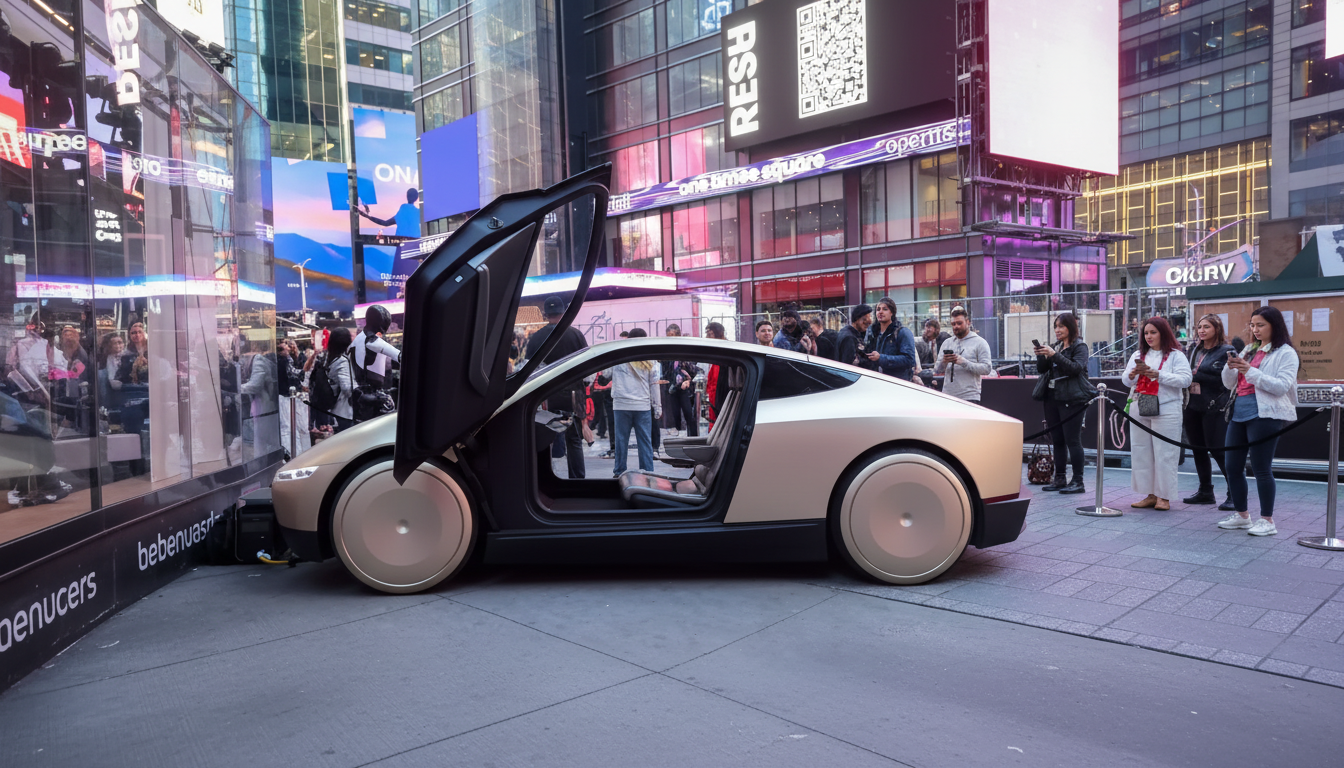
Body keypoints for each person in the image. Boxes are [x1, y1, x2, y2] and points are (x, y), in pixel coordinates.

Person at [1218, 306, 1300, 536]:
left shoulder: (1285, 352)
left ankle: (1267, 520)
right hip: (1239, 411)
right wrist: (1231, 365)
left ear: (1275, 325)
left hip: (1266, 413)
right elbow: (1229, 383)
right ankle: (1243, 515)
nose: (1255, 330)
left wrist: (1249, 371)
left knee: (1261, 467)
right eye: (1252, 325)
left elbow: (1282, 386)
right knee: (1232, 465)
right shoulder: (1249, 349)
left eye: (1260, 325)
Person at [1121, 316, 1192, 511]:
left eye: (1153, 332)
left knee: (1165, 453)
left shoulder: (1176, 355)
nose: (1149, 336)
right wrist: (1134, 373)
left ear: (1163, 333)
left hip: (1167, 408)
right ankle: (1150, 494)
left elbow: (1186, 379)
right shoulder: (1138, 354)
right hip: (1139, 406)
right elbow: (1126, 381)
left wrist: (1157, 374)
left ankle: (1164, 496)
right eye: (1146, 333)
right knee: (1141, 451)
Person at [527, 296, 590, 479]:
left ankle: (545, 480)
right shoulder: (576, 335)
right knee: (574, 440)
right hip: (574, 395)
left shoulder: (536, 338)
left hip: (547, 395)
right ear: (563, 313)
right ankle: (577, 480)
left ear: (546, 315)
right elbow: (587, 368)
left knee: (546, 440)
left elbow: (529, 369)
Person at [1032, 312, 1094, 495]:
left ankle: (1078, 481)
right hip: (1052, 397)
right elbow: (1042, 370)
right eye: (1055, 327)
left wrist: (1054, 355)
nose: (1057, 330)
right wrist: (1041, 355)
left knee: (1073, 440)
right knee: (1057, 440)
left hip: (1072, 398)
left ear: (1071, 327)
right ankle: (1059, 478)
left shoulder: (1079, 346)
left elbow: (1076, 368)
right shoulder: (1056, 346)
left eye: (1061, 326)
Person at [1182, 314, 1234, 508]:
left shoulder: (1227, 350)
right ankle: (1205, 491)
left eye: (1207, 327)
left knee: (1219, 450)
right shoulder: (1195, 349)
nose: (1202, 330)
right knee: (1198, 449)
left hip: (1215, 407)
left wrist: (1196, 374)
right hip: (1193, 405)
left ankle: (1234, 493)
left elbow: (1224, 379)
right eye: (1200, 327)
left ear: (1217, 329)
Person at [611, 328, 662, 476]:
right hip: (642, 406)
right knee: (645, 441)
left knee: (621, 440)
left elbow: (606, 373)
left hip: (621, 405)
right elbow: (655, 384)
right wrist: (657, 407)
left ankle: (619, 471)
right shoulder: (650, 359)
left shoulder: (617, 355)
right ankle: (647, 472)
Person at [934, 307, 992, 403]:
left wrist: (963, 362)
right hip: (948, 395)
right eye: (953, 324)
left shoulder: (980, 342)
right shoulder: (947, 343)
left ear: (968, 322)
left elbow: (987, 369)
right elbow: (937, 370)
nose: (956, 326)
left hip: (970, 396)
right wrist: (944, 362)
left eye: (959, 323)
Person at [864, 297, 917, 380]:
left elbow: (909, 360)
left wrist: (881, 358)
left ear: (892, 312)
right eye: (878, 309)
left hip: (897, 382)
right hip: (876, 381)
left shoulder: (902, 332)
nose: (880, 312)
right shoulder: (872, 333)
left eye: (885, 309)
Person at [322, 328, 356, 433]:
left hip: (334, 407)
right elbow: (346, 387)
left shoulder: (329, 358)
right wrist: (358, 388)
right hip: (344, 410)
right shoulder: (342, 361)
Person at [704, 322, 726, 427]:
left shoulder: (724, 352)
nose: (707, 337)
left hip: (720, 398)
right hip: (714, 398)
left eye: (710, 334)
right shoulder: (715, 352)